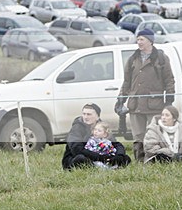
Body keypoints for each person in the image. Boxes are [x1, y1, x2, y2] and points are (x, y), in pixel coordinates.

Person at [117, 28, 175, 161]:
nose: (139, 42)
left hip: (154, 105)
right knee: (138, 135)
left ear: (150, 41)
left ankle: (153, 161)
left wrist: (169, 100)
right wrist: (120, 100)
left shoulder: (161, 58)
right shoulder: (132, 59)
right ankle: (139, 162)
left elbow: (169, 80)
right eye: (137, 39)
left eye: (142, 39)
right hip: (135, 105)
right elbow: (126, 82)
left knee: (153, 135)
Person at [62, 103, 130, 170]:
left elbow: (116, 144)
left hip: (101, 154)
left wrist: (119, 155)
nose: (85, 117)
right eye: (84, 114)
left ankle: (108, 166)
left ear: (97, 116)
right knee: (80, 159)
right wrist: (101, 157)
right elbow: (76, 149)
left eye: (89, 114)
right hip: (77, 157)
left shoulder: (101, 126)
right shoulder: (77, 127)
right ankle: (104, 167)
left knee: (125, 158)